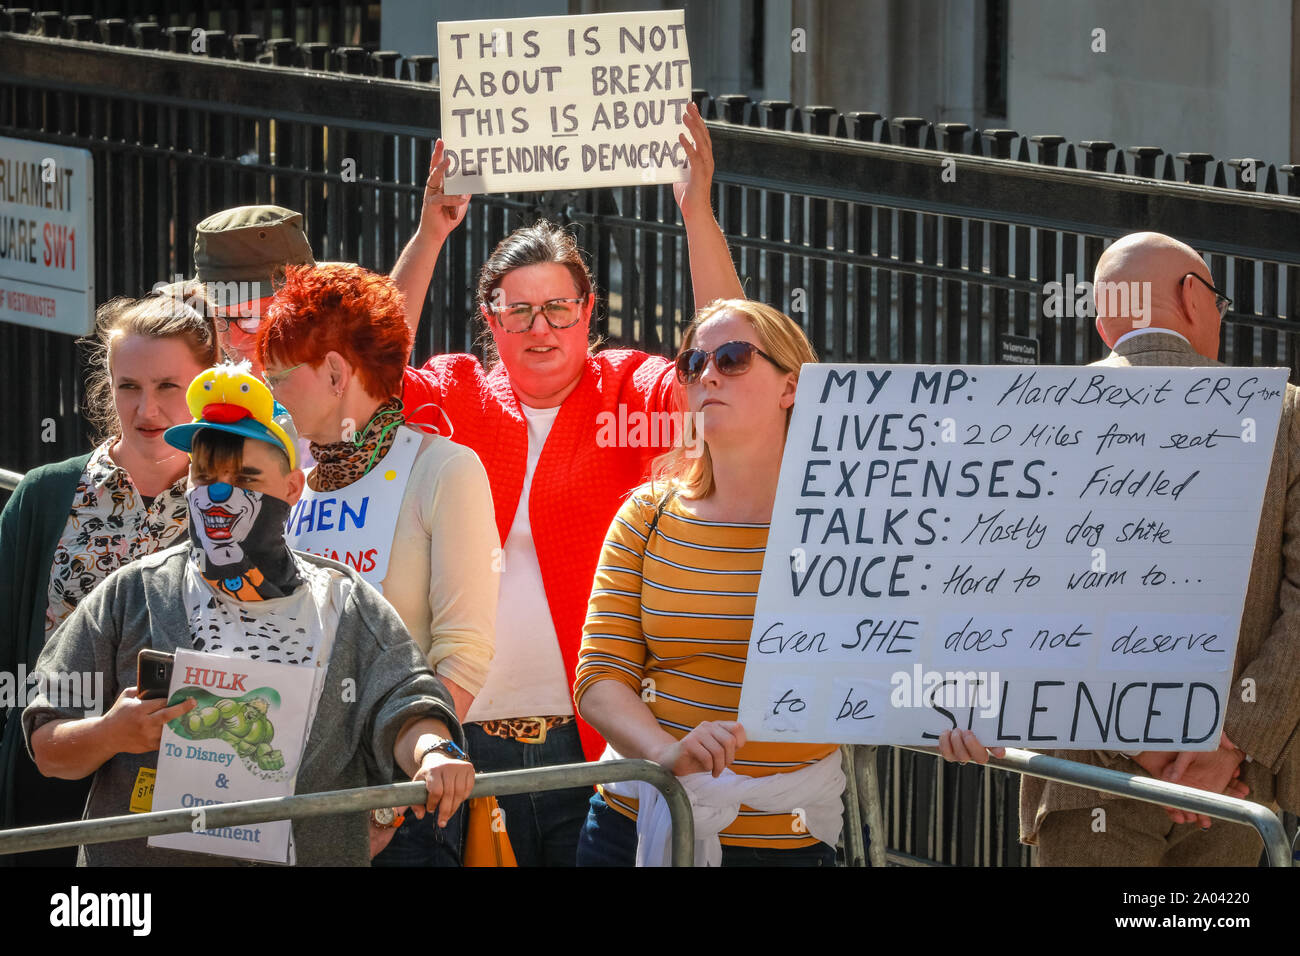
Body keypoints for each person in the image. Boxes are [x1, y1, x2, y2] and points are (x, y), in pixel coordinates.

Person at [385, 103, 746, 866]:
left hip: (588, 749)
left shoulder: (630, 390)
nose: (540, 329)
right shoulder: (458, 391)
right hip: (456, 747)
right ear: (492, 318)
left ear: (587, 312)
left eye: (558, 307)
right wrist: (430, 234)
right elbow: (369, 373)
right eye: (519, 312)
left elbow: (724, 359)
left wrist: (695, 209)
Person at [939, 231, 1300, 866]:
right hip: (1235, 790)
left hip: (1086, 779)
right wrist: (1228, 745)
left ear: (1107, 324)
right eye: (1218, 299)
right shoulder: (1287, 414)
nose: (1220, 315)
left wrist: (1146, 751)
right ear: (1192, 297)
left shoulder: (1035, 415)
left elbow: (1018, 597)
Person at [21, 364, 474, 866]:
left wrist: (435, 752)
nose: (219, 494)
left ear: (292, 489)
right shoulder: (134, 593)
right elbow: (47, 746)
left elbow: (407, 704)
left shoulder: (345, 603)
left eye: (246, 478)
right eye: (204, 475)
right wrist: (110, 733)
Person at [574, 298, 845, 867]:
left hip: (784, 842)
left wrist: (948, 720)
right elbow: (600, 676)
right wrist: (666, 755)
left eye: (733, 357)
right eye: (693, 364)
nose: (709, 375)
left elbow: (894, 663)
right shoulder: (647, 513)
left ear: (789, 387)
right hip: (635, 824)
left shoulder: (844, 528)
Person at [259, 262, 499, 864]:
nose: (273, 401)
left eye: (280, 380)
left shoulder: (444, 469)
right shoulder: (296, 481)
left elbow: (465, 654)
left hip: (398, 809)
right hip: (286, 789)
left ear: (337, 371)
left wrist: (390, 802)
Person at [0, 291, 219, 866]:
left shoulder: (231, 506)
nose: (147, 410)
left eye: (168, 387)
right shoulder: (45, 495)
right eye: (129, 387)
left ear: (207, 386)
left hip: (178, 796)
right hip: (45, 777)